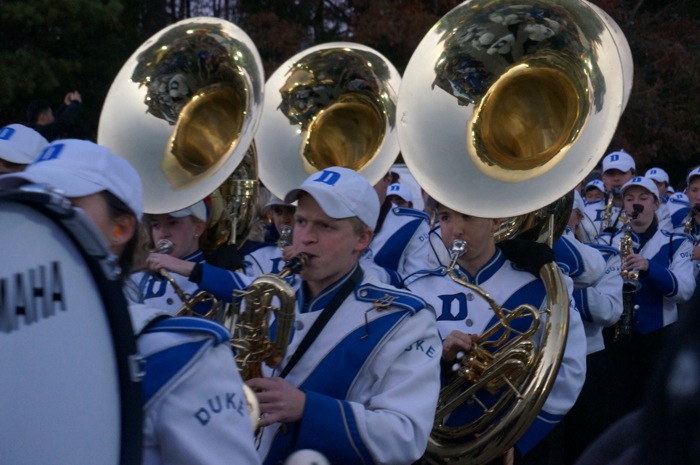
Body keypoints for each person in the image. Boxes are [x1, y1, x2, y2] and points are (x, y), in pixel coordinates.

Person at [0, 139, 261, 465]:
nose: (38, 217)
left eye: (62, 202)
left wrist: (194, 271)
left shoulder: (182, 355)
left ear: (121, 227)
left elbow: (255, 293)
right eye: (32, 199)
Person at [182, 166, 442, 464]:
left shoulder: (404, 320)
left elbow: (405, 437)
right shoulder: (267, 296)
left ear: (362, 239)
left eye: (325, 226)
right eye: (301, 221)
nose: (305, 237)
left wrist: (307, 408)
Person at [403, 202, 587, 463]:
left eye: (467, 216)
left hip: (513, 448)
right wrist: (441, 359)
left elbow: (568, 369)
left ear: (495, 220)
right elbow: (398, 368)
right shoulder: (418, 288)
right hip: (431, 444)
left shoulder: (542, 286)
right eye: (445, 217)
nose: (456, 230)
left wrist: (515, 438)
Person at [597, 175, 695, 424]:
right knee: (615, 413)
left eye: (643, 198)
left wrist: (649, 267)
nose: (635, 204)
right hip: (616, 338)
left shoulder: (676, 242)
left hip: (658, 339)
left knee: (655, 413)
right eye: (629, 199)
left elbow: (685, 290)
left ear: (656, 204)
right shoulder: (607, 240)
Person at [554, 191, 623, 464]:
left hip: (589, 359)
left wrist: (560, 295)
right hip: (539, 361)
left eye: (564, 209)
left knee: (583, 445)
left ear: (579, 217)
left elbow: (609, 310)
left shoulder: (605, 256)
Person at [129, 200, 214, 315]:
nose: (163, 234)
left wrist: (187, 268)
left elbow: (243, 291)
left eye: (173, 223)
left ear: (198, 228)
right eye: (156, 225)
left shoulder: (216, 276)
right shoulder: (138, 278)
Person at [363, 172, 442, 285]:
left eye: (372, 175)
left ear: (387, 180)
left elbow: (420, 283)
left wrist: (372, 274)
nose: (361, 183)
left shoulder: (413, 224)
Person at [581, 150, 636, 244]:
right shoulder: (586, 212)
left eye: (622, 173)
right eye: (611, 174)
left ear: (633, 176)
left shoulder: (648, 210)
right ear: (603, 178)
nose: (616, 178)